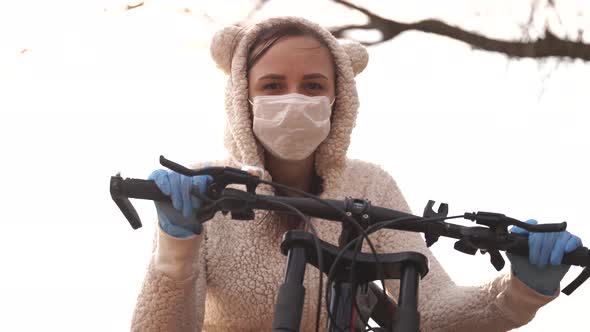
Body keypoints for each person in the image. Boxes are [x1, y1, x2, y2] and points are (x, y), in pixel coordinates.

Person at [130, 16, 582, 331]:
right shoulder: (205, 190)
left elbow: (432, 311)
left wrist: (520, 290)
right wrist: (176, 247)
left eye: (313, 86)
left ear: (338, 99)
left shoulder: (369, 186)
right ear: (241, 97)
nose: (295, 99)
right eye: (272, 86)